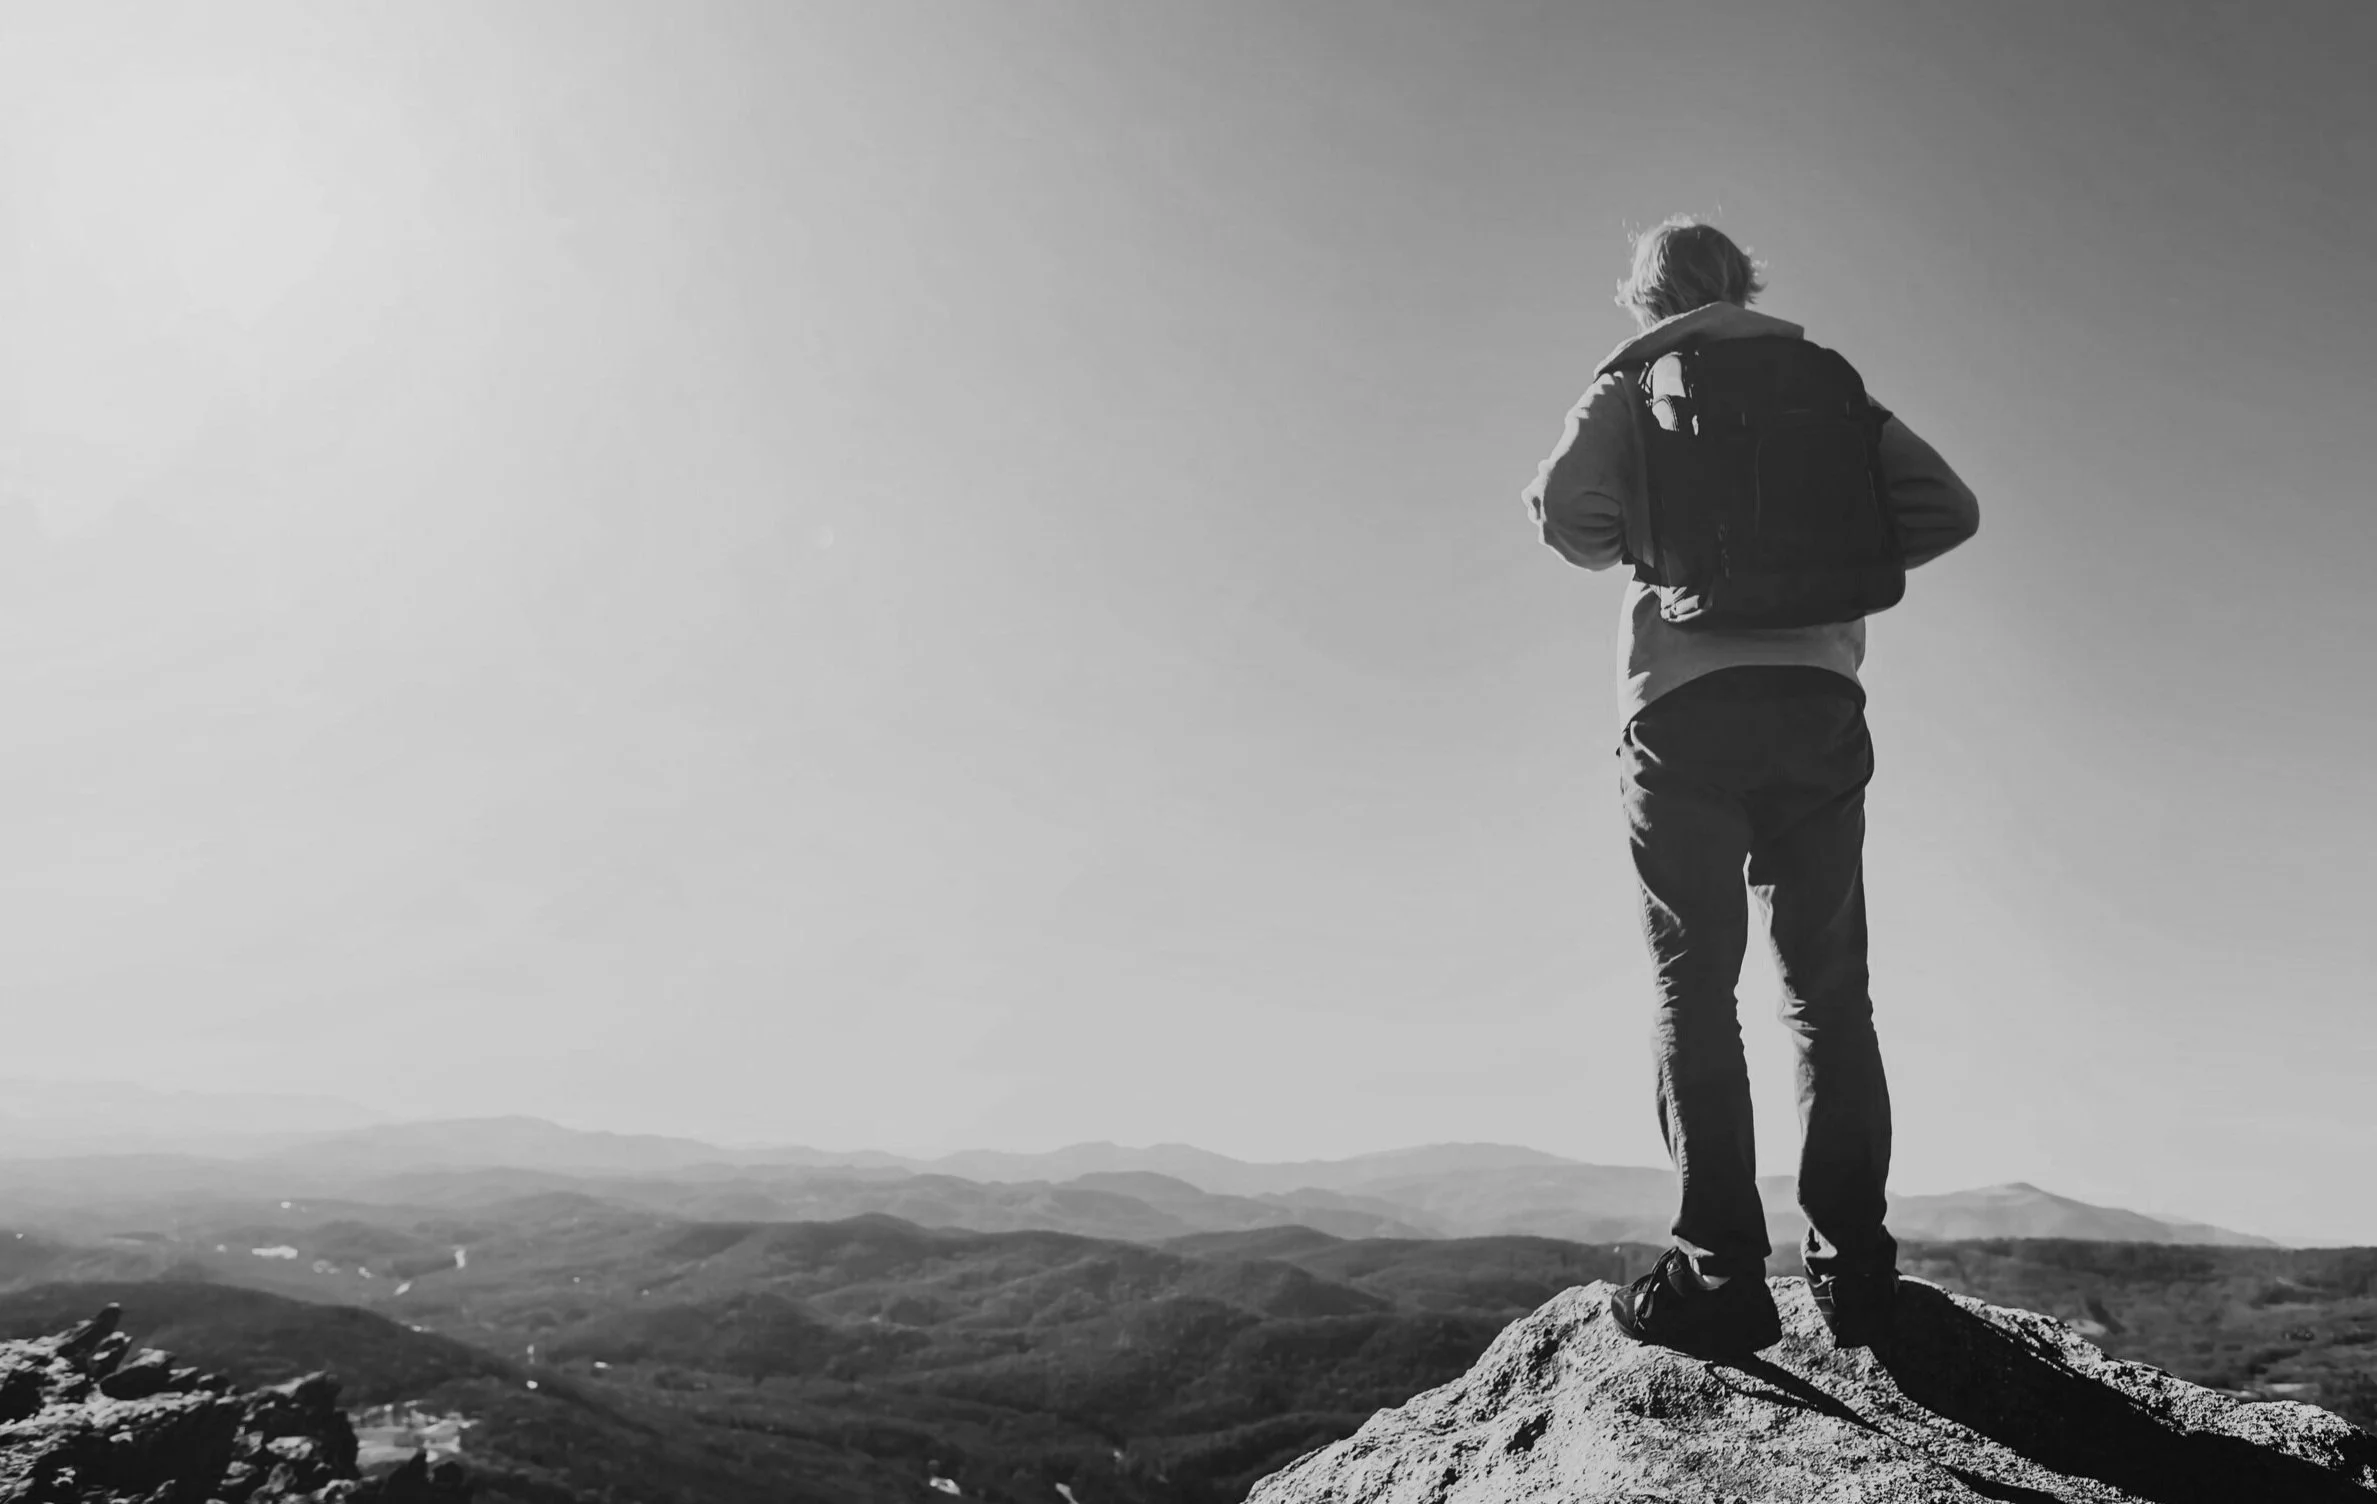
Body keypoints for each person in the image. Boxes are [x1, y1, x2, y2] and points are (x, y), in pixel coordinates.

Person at [1521, 217, 1979, 1356]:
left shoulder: (1633, 384)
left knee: (1696, 988)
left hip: (1682, 711)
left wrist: (1654, 547)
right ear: (1745, 284)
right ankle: (1855, 1270)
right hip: (1818, 705)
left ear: (1645, 298)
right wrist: (1822, 571)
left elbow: (1565, 515)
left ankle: (1721, 1272)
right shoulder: (1826, 385)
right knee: (1829, 995)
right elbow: (1947, 509)